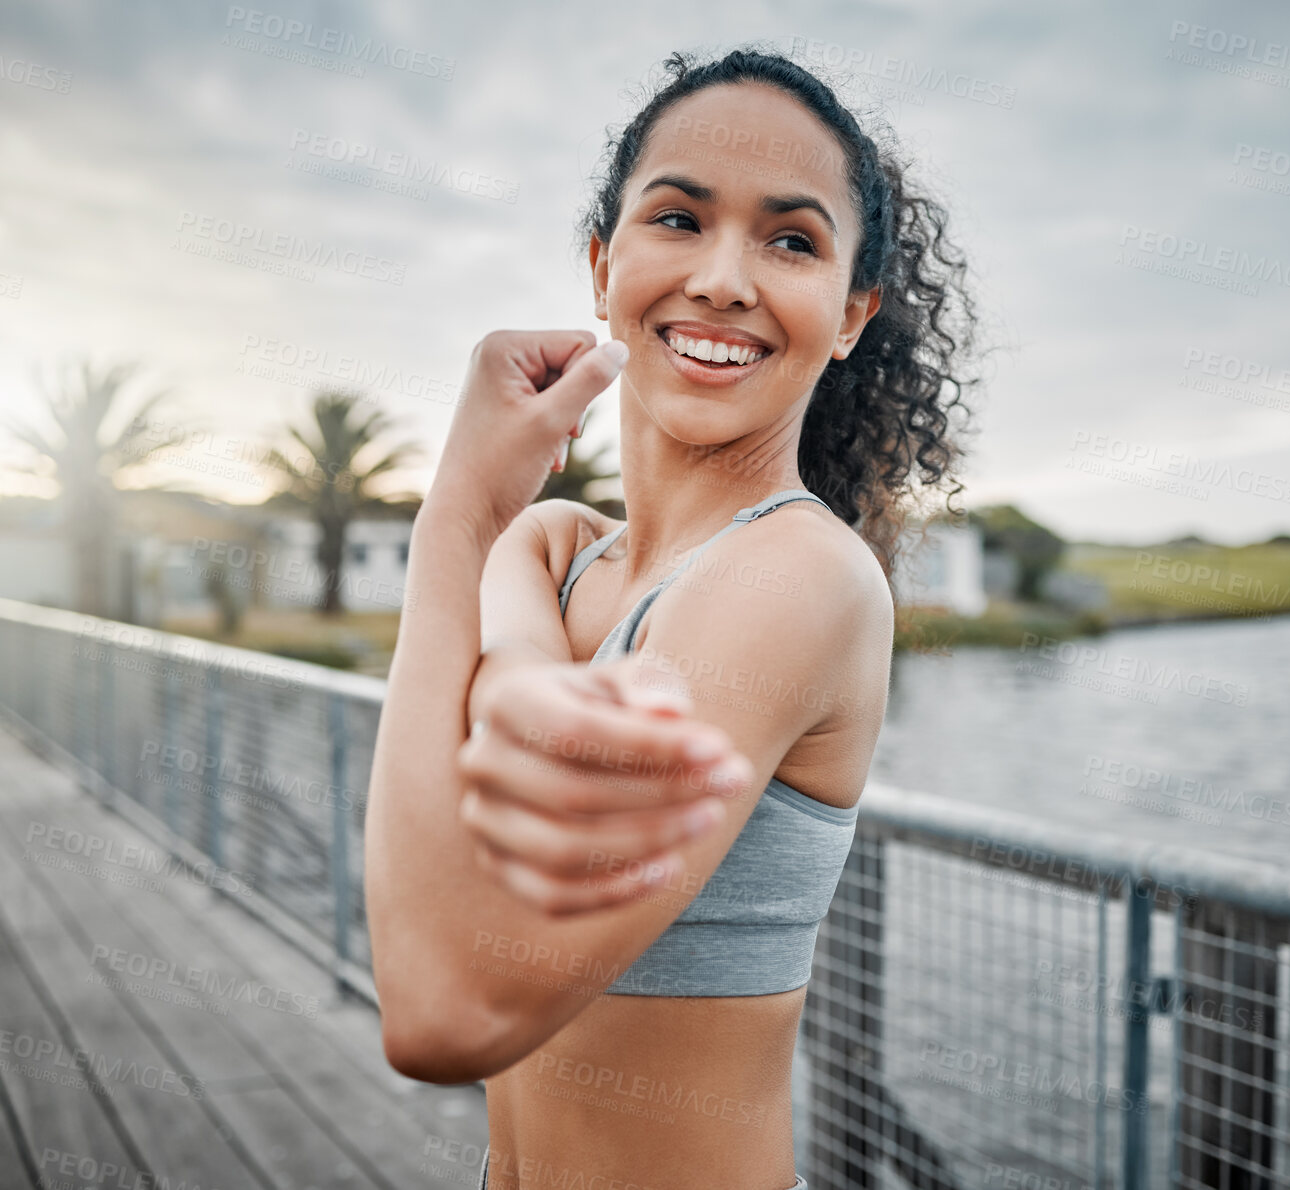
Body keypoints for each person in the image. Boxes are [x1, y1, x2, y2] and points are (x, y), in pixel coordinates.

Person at [365, 44, 976, 1190]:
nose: (725, 279)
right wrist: (508, 632)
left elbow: (442, 1012)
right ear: (603, 265)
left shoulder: (796, 576)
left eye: (790, 239)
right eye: (679, 218)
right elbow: (516, 596)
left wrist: (452, 524)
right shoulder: (562, 550)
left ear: (850, 314)